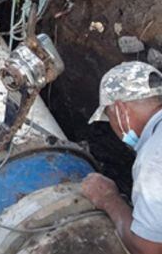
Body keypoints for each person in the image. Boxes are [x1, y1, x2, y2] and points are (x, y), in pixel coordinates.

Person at [81, 61, 162, 254]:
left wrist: (109, 199)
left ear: (120, 110)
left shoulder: (153, 159)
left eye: (110, 117)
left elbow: (149, 249)